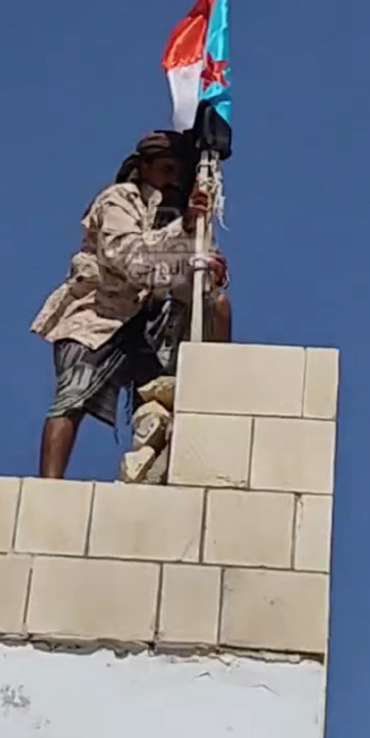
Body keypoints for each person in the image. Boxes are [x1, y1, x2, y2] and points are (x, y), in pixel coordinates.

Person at [30, 130, 230, 478]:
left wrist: (208, 273)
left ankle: (200, 417)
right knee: (72, 395)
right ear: (145, 167)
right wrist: (181, 229)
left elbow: (187, 285)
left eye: (179, 173)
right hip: (98, 314)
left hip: (151, 324)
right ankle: (48, 486)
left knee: (164, 399)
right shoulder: (119, 200)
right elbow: (127, 258)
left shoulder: (186, 215)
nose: (174, 180)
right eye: (167, 170)